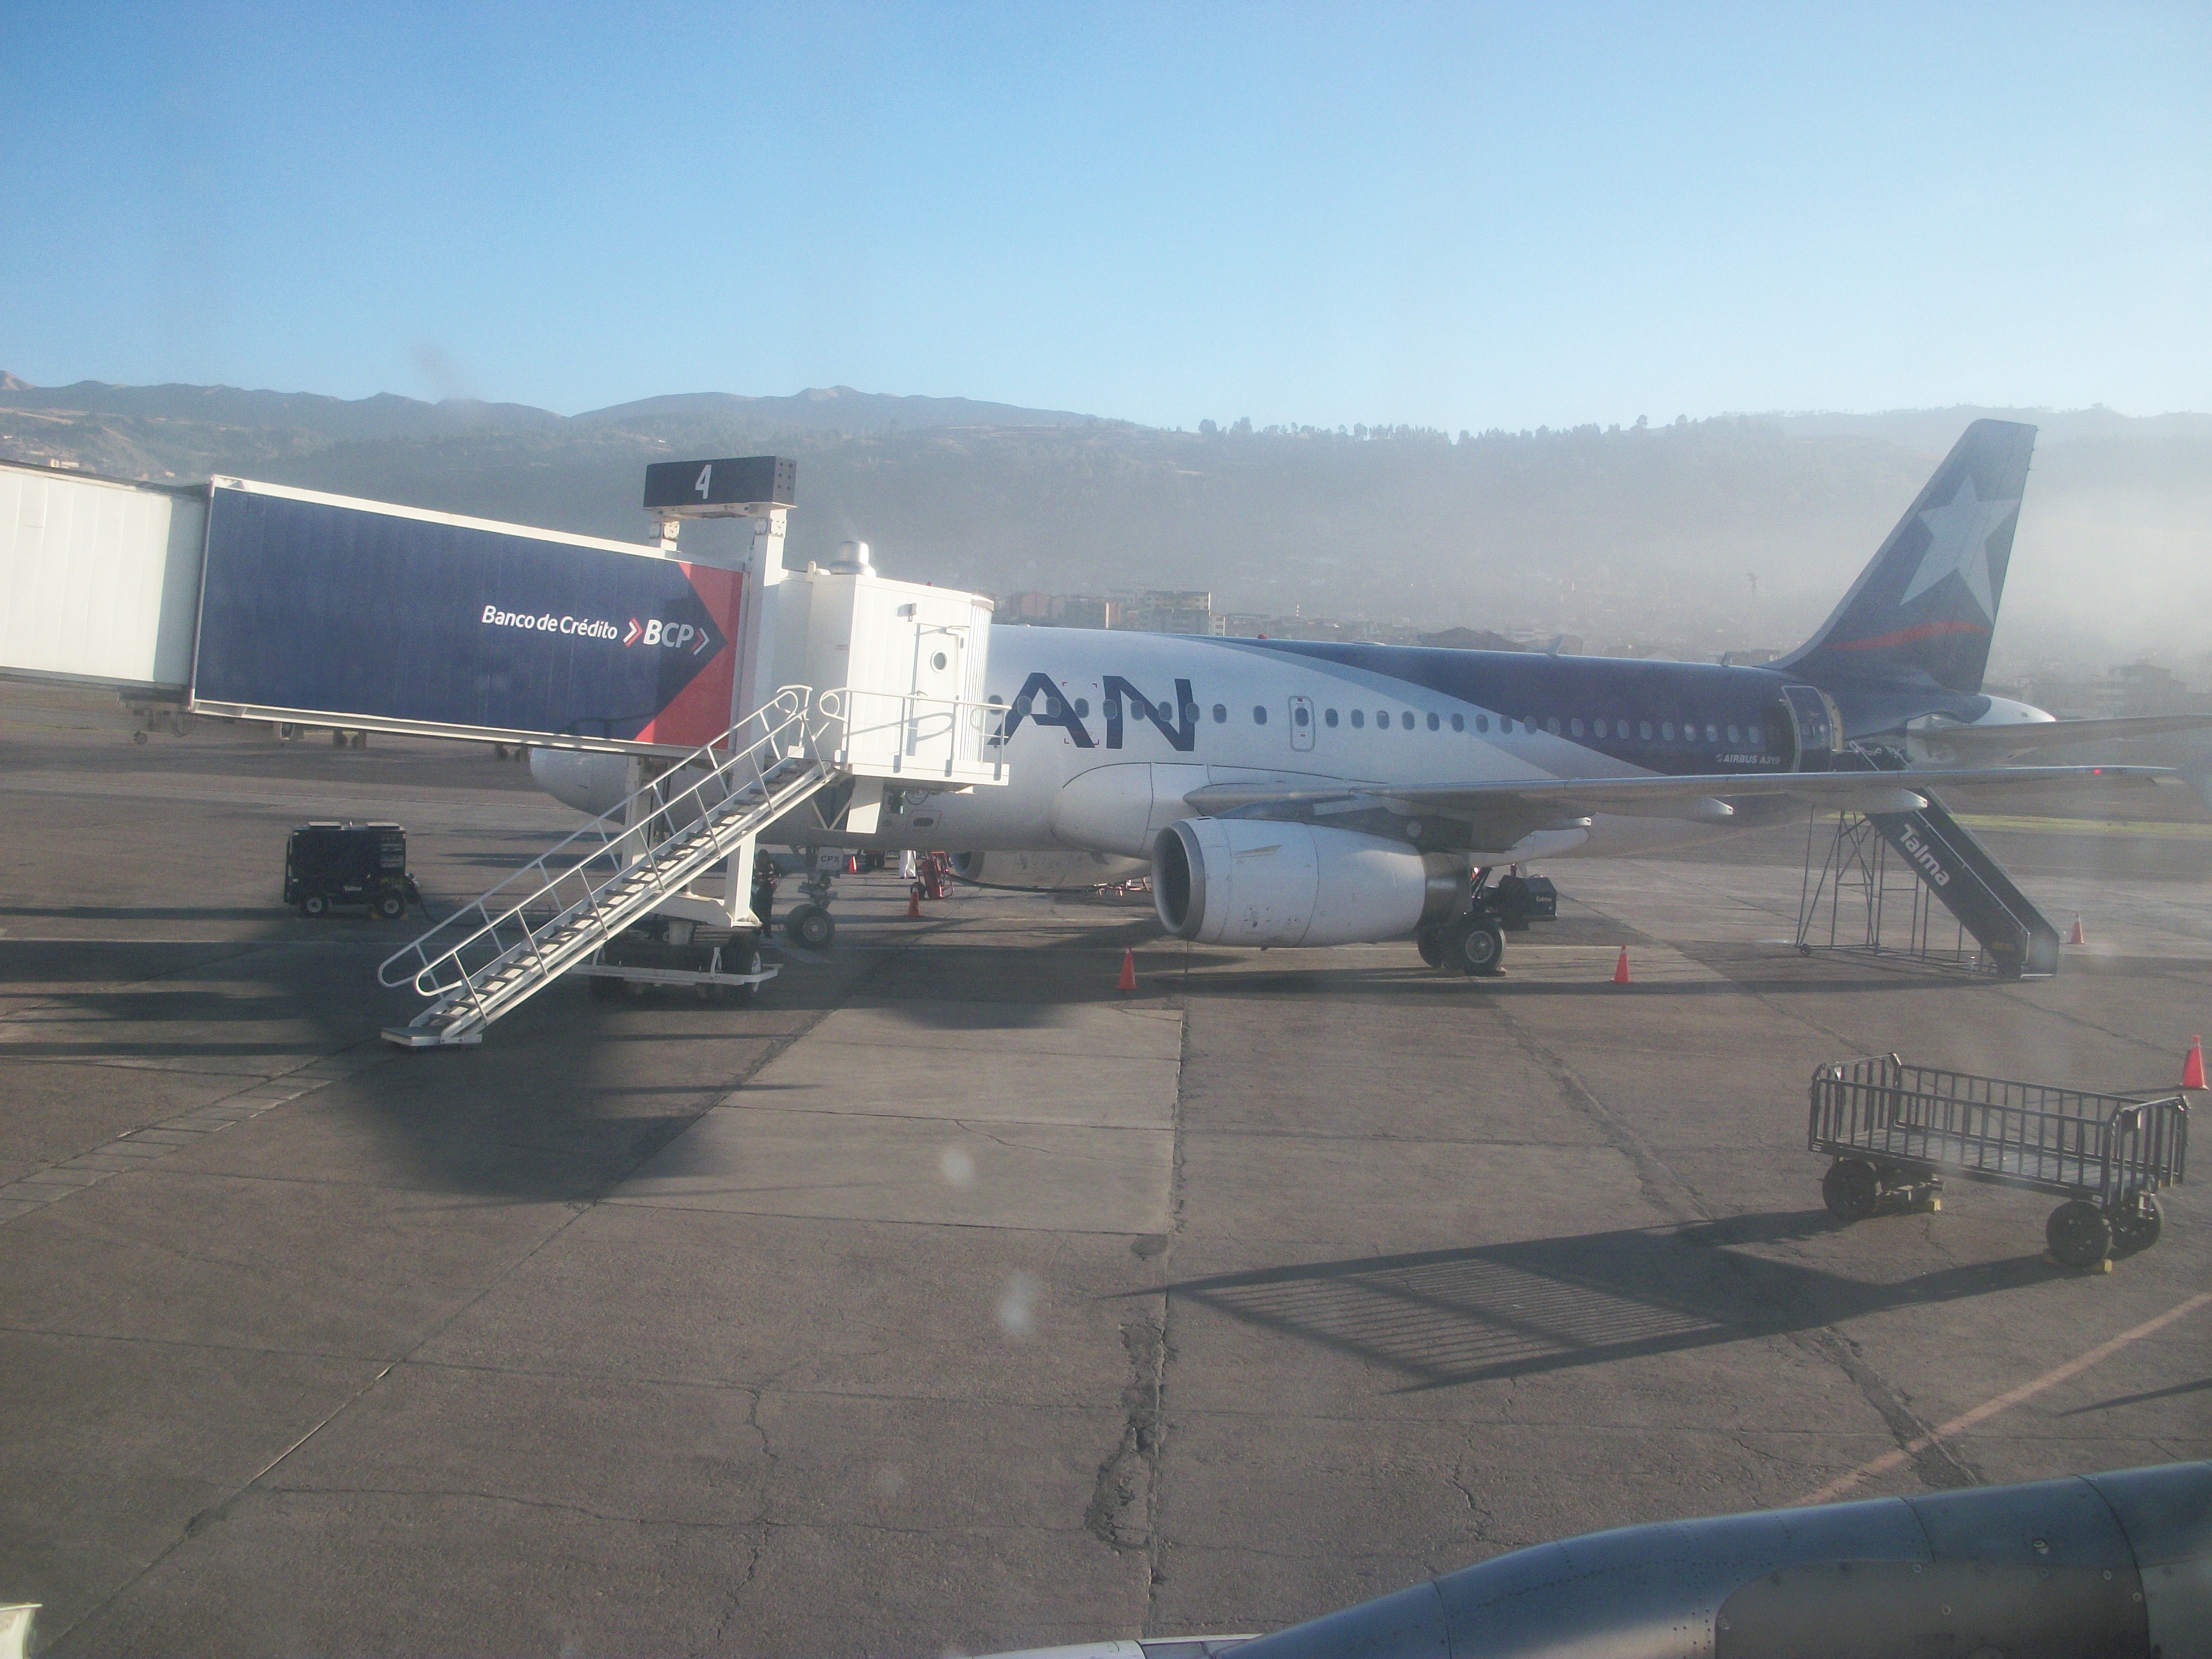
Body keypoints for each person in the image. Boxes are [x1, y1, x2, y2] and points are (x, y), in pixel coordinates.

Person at [751, 851, 779, 938]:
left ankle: (767, 932)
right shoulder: (755, 865)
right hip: (758, 892)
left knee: (767, 914)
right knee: (757, 913)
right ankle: (757, 930)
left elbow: (777, 872)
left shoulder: (771, 864)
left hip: (767, 892)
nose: (764, 859)